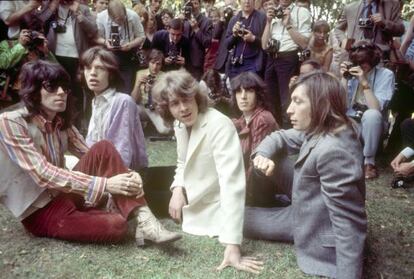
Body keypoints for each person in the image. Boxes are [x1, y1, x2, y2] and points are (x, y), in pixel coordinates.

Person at [0, 60, 181, 245]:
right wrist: (106, 185)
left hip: (64, 194)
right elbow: (42, 174)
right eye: (51, 86)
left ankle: (146, 221)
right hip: (40, 211)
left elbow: (96, 155)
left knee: (104, 147)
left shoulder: (60, 120)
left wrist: (127, 174)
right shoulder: (11, 121)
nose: (61, 92)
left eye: (64, 87)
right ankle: (111, 211)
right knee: (117, 226)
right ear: (33, 89)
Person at [245, 71, 367, 279]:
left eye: (297, 102)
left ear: (321, 104)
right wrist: (263, 155)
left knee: (235, 217)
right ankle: (268, 201)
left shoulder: (334, 150)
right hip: (309, 202)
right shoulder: (330, 125)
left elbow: (348, 222)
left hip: (311, 224)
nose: (289, 110)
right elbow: (280, 136)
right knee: (273, 155)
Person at [151, 69, 263, 274]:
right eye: (175, 103)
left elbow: (232, 183)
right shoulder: (180, 123)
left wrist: (232, 244)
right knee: (142, 176)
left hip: (211, 203)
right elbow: (182, 162)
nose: (183, 108)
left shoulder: (220, 124)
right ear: (167, 108)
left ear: (196, 96)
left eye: (186, 99)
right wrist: (177, 189)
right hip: (193, 185)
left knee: (147, 196)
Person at [81, 46, 148, 172]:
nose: (92, 73)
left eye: (100, 68)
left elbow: (122, 150)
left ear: (111, 74)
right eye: (88, 68)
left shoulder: (122, 101)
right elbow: (91, 143)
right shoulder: (96, 101)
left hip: (120, 174)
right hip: (99, 168)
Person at [340, 40, 395, 179]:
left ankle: (369, 163)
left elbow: (376, 108)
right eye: (357, 62)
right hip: (352, 123)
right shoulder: (351, 72)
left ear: (373, 60)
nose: (360, 66)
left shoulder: (386, 75)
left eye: (364, 62)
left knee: (372, 115)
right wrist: (344, 79)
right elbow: (339, 106)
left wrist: (364, 82)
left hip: (372, 126)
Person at [231, 72, 279, 206]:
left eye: (249, 91)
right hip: (248, 186)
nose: (243, 97)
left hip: (260, 191)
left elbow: (255, 165)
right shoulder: (242, 119)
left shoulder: (263, 119)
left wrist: (241, 198)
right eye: (239, 92)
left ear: (258, 94)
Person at [261, 0, 312, 126]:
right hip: (271, 58)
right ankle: (274, 134)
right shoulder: (273, 11)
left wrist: (288, 25)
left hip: (288, 58)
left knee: (287, 101)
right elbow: (263, 45)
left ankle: (288, 135)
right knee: (270, 101)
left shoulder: (302, 12)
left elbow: (304, 43)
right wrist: (268, 22)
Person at [96, 0, 145, 94]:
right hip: (109, 55)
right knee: (109, 88)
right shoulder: (101, 17)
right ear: (110, 16)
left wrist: (130, 45)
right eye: (118, 20)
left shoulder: (133, 16)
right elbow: (96, 37)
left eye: (123, 19)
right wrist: (106, 42)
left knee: (126, 89)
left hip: (128, 55)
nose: (121, 22)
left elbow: (141, 37)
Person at [334, 0, 404, 56]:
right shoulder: (349, 8)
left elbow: (401, 30)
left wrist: (384, 23)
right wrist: (344, 40)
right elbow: (338, 29)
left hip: (380, 58)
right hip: (354, 56)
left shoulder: (393, 4)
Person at [131, 49, 172, 135]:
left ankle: (147, 125)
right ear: (148, 62)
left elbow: (167, 101)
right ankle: (139, 127)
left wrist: (155, 90)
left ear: (161, 65)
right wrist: (138, 85)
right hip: (143, 107)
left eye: (158, 64)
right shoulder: (140, 73)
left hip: (156, 109)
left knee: (165, 130)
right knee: (129, 108)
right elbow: (133, 100)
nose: (155, 67)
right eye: (152, 63)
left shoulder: (164, 76)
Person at [224, 0, 267, 79]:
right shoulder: (234, 19)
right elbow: (227, 45)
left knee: (251, 90)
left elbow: (267, 43)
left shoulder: (262, 17)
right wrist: (234, 35)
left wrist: (253, 39)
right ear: (239, 2)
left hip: (255, 64)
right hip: (236, 64)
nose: (247, 1)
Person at [182, 0, 213, 80]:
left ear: (200, 5)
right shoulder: (183, 19)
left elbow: (207, 43)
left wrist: (196, 29)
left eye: (195, 3)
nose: (193, 6)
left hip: (197, 64)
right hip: (183, 61)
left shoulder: (207, 21)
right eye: (191, 4)